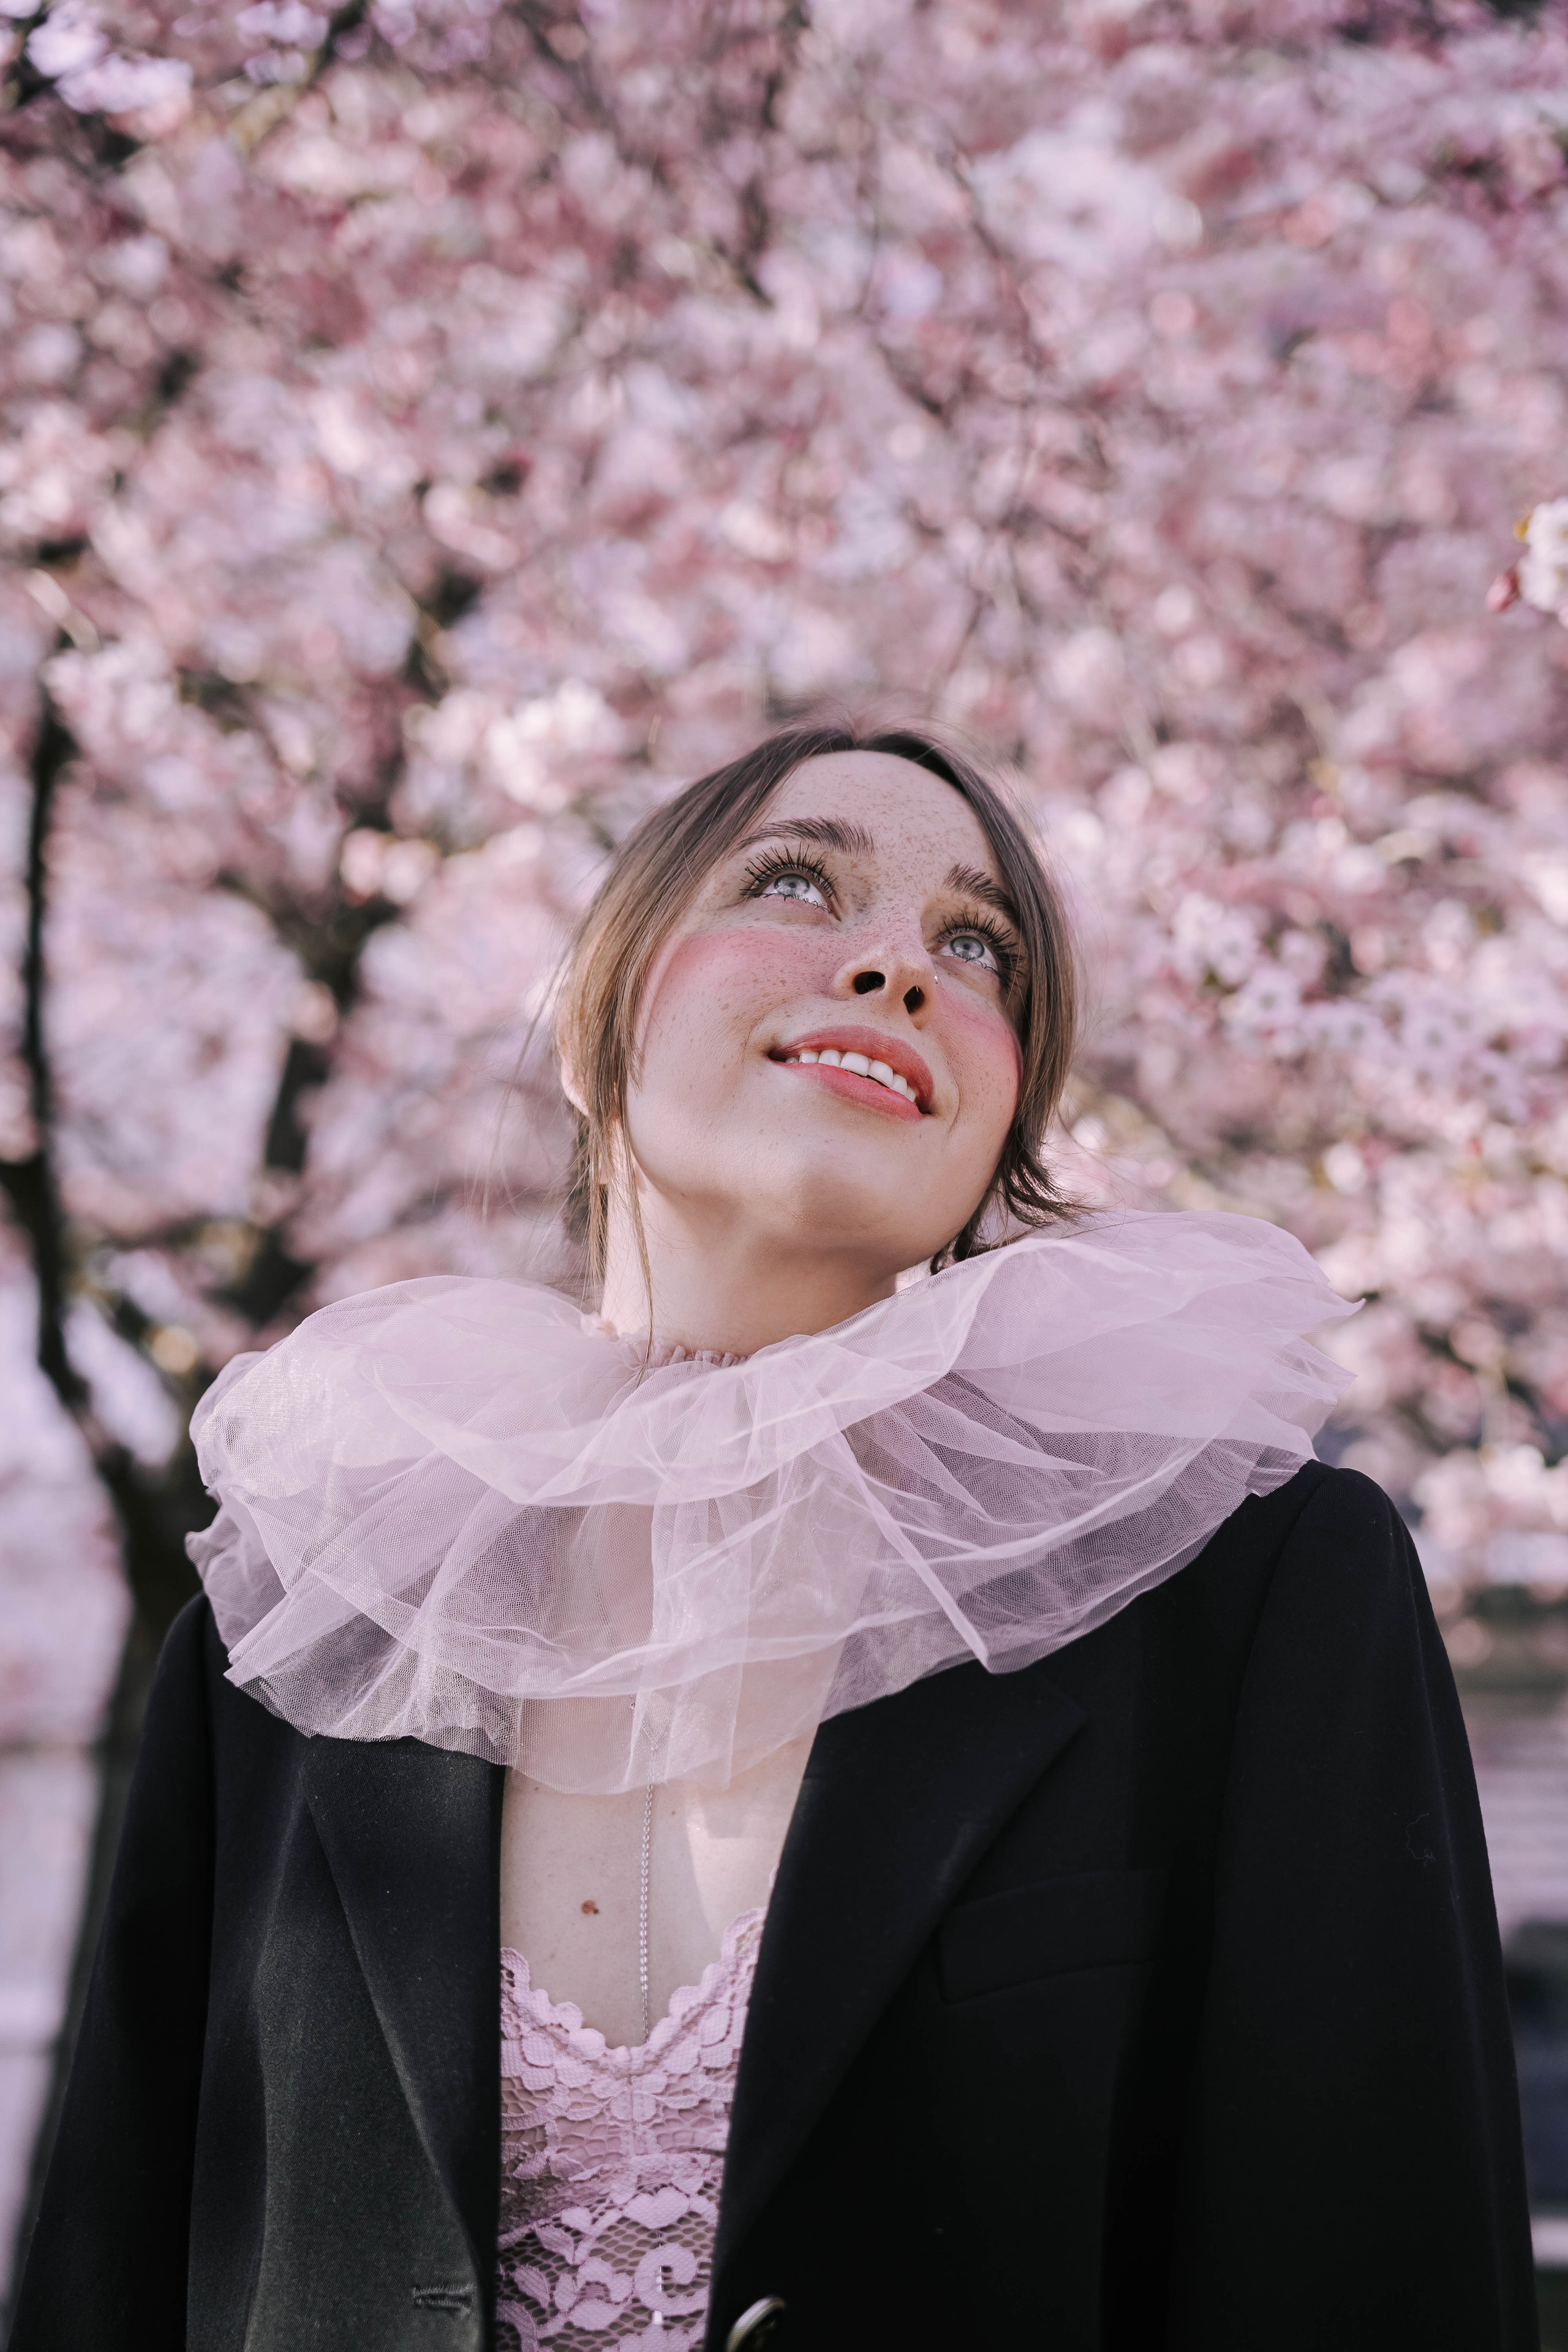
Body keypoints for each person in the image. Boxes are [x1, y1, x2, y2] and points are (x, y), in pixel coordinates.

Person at [10, 725, 1537, 2352]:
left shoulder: (1252, 1593)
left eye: (978, 947)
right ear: (604, 1012)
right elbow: (111, 2276)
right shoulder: (299, 1648)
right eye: (797, 882)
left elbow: (1383, 2278)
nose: (898, 966)